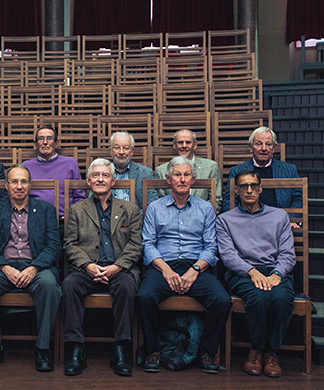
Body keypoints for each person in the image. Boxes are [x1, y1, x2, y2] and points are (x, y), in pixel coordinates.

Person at [137, 156, 231, 374]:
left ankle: (206, 352)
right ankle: (153, 351)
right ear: (169, 179)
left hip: (195, 266)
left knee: (222, 300)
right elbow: (148, 244)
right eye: (177, 175)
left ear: (193, 179)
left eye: (186, 175)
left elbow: (211, 246)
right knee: (144, 297)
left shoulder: (206, 208)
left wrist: (194, 270)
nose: (182, 179)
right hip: (163, 266)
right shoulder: (154, 207)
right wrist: (166, 270)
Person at [0, 164, 62, 372]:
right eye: (14, 181)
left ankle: (42, 349)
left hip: (37, 268)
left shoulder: (46, 210)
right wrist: (5, 268)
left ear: (30, 185)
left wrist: (34, 268)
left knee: (51, 286)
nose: (19, 186)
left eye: (24, 181)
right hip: (3, 268)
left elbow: (54, 246)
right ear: (6, 185)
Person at [63, 158, 142, 377]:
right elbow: (69, 244)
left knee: (127, 287)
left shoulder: (130, 210)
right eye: (96, 175)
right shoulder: (77, 210)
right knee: (70, 285)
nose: (100, 179)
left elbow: (136, 245)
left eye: (105, 175)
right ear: (88, 180)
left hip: (119, 269)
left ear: (113, 181)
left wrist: (118, 267)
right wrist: (88, 265)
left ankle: (121, 351)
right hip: (87, 269)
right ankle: (75, 350)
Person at [217, 170, 296, 378]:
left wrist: (278, 273)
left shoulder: (279, 216)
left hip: (274, 271)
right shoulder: (225, 220)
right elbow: (228, 256)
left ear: (260, 189)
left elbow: (288, 253)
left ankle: (271, 353)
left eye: (253, 185)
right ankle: (256, 350)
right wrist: (251, 272)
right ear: (236, 190)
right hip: (242, 272)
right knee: (258, 298)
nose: (249, 190)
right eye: (244, 186)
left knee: (281, 299)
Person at [222, 127, 301, 223]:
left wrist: (288, 220)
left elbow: (299, 199)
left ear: (274, 148)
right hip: (247, 222)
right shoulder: (237, 171)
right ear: (250, 147)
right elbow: (229, 200)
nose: (264, 149)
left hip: (280, 222)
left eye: (268, 144)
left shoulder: (289, 170)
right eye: (258, 144)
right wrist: (239, 221)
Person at [22, 126, 85, 219]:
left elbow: (79, 197)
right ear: (35, 144)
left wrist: (72, 217)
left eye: (49, 138)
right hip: (35, 219)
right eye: (41, 139)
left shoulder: (70, 163)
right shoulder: (26, 166)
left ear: (56, 143)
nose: (45, 142)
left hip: (64, 219)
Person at [154, 129, 221, 212]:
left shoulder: (211, 167)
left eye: (188, 142)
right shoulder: (161, 170)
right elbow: (161, 202)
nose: (184, 146)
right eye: (180, 142)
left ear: (195, 144)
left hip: (201, 219)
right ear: (174, 145)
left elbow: (216, 200)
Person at [110, 131, 157, 211]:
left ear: (132, 151)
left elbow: (152, 204)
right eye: (117, 147)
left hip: (136, 220)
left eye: (126, 148)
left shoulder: (145, 173)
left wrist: (135, 220)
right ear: (111, 150)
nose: (121, 152)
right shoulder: (102, 173)